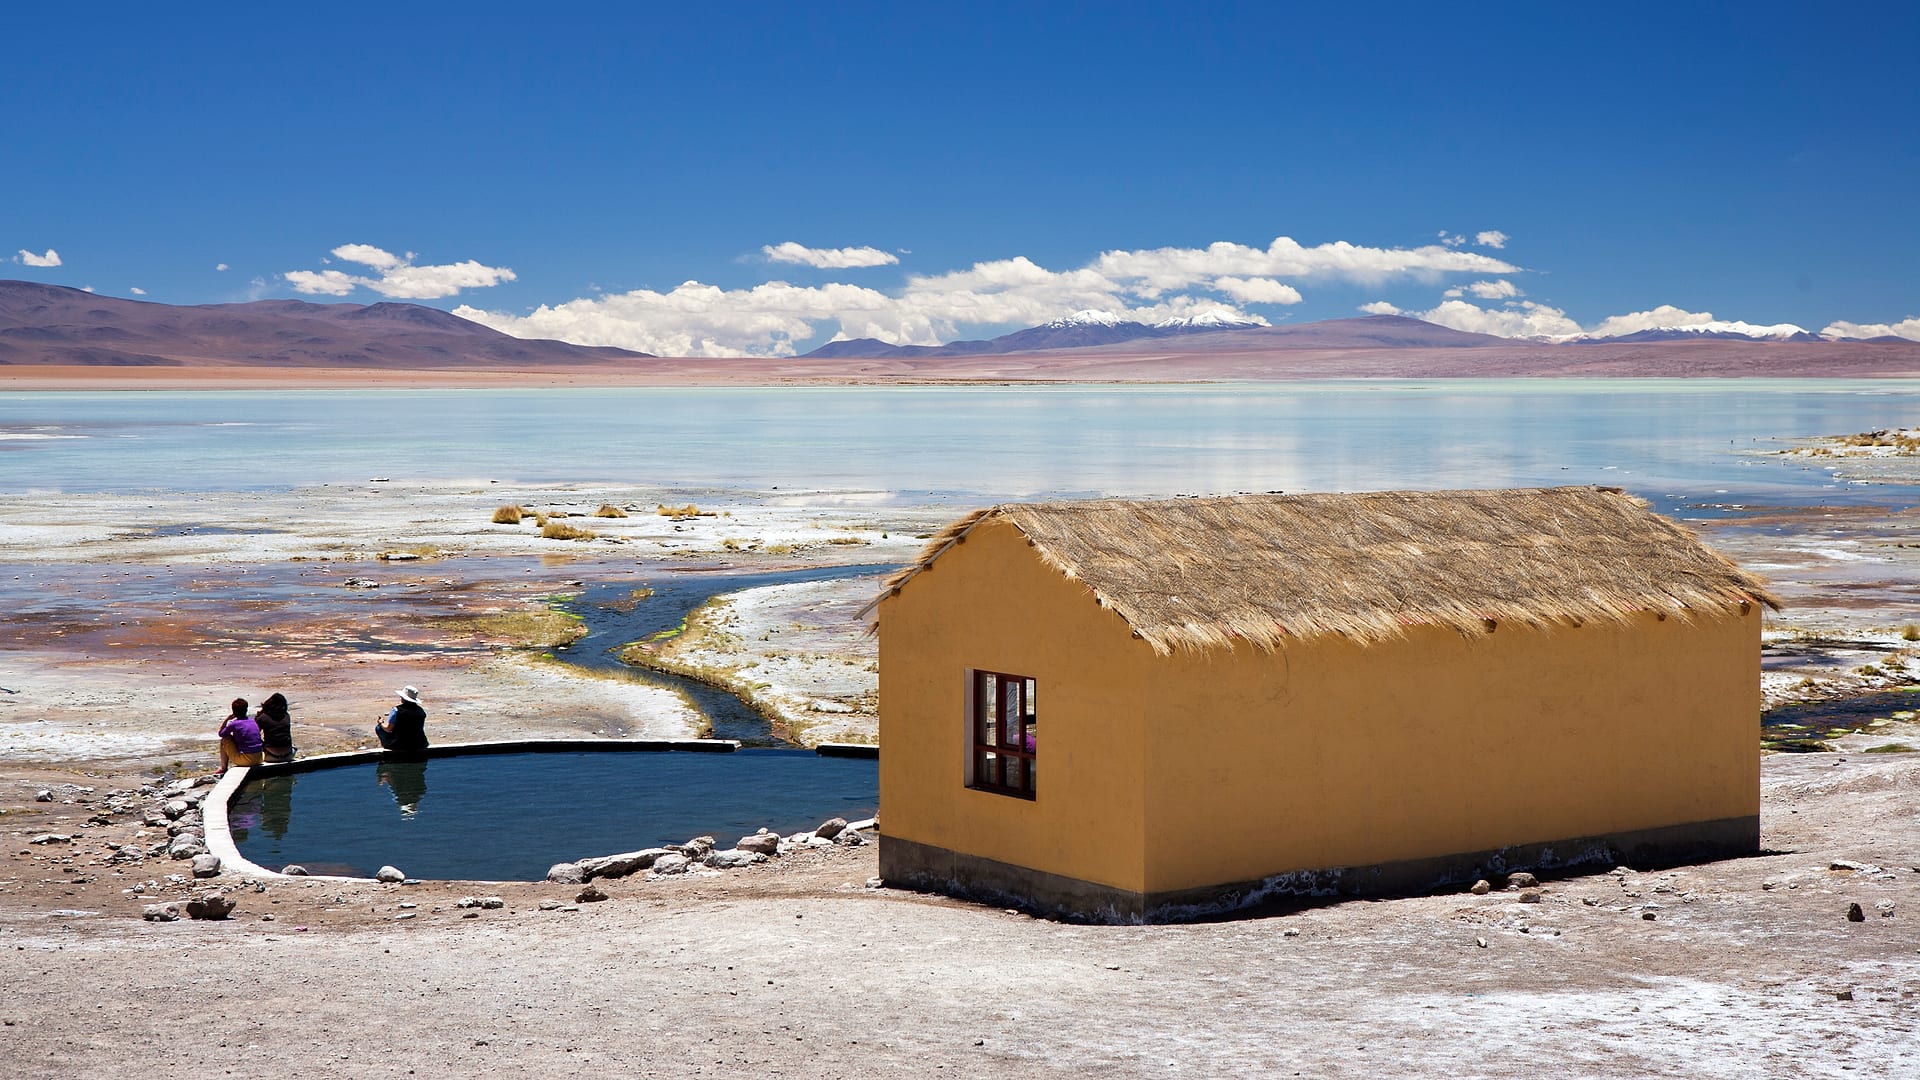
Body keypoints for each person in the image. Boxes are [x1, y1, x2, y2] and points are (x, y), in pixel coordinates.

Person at [216, 697, 264, 774]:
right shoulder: (253, 721)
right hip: (260, 758)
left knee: (224, 739)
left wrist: (227, 719)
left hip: (247, 760)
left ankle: (223, 768)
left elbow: (221, 734)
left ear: (233, 712)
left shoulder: (234, 724)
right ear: (246, 710)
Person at [375, 685, 428, 753]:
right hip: (420, 744)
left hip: (399, 744)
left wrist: (381, 722)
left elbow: (388, 729)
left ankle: (387, 746)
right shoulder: (420, 711)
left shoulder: (397, 710)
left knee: (379, 728)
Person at [256, 692, 295, 763]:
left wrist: (257, 717)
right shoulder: (287, 716)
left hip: (270, 756)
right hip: (289, 755)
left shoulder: (263, 717)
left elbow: (253, 734)